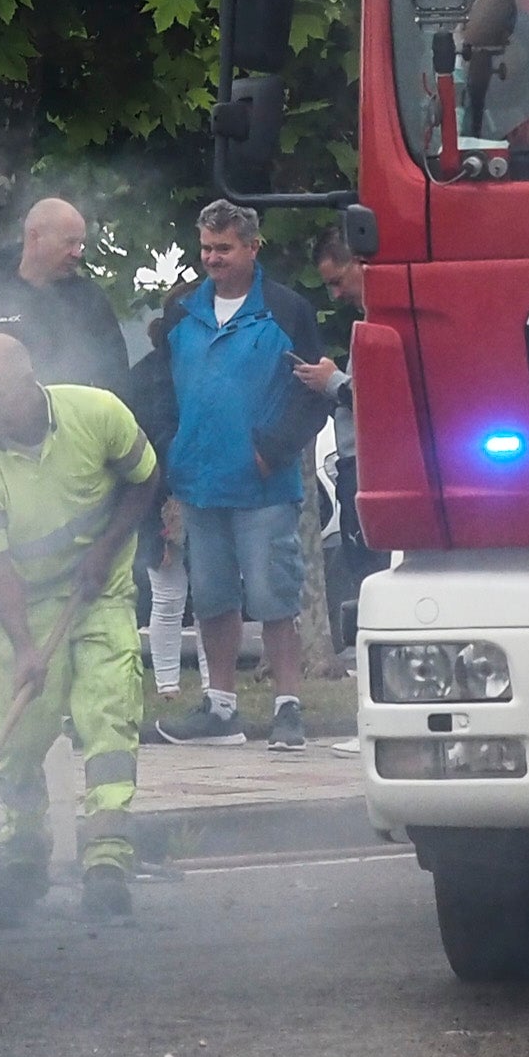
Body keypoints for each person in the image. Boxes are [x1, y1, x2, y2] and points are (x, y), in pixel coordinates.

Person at [0, 334, 161, 917]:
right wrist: (23, 647)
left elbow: (145, 479)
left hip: (99, 592)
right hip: (26, 598)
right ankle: (22, 848)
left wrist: (109, 546)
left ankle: (108, 857)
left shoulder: (97, 414)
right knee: (19, 737)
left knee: (107, 714)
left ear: (27, 382)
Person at [139, 199, 340, 750]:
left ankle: (288, 708)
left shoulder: (286, 309)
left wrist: (270, 451)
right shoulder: (183, 312)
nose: (212, 259)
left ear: (253, 247)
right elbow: (158, 388)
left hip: (263, 487)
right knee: (212, 598)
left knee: (275, 596)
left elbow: (313, 392)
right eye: (205, 248)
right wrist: (170, 448)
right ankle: (220, 708)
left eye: (224, 248)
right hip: (199, 484)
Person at [0, 198, 131, 732]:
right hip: (2, 469)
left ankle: (74, 693)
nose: (77, 253)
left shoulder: (89, 302)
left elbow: (116, 380)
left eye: (82, 242)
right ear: (34, 237)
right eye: (69, 241)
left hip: (74, 465)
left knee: (83, 590)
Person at [313, 235, 382, 644]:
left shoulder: (384, 318)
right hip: (357, 463)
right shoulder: (370, 316)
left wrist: (332, 383)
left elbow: (379, 396)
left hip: (372, 466)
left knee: (371, 569)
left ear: (360, 262)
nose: (336, 294)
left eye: (338, 281)